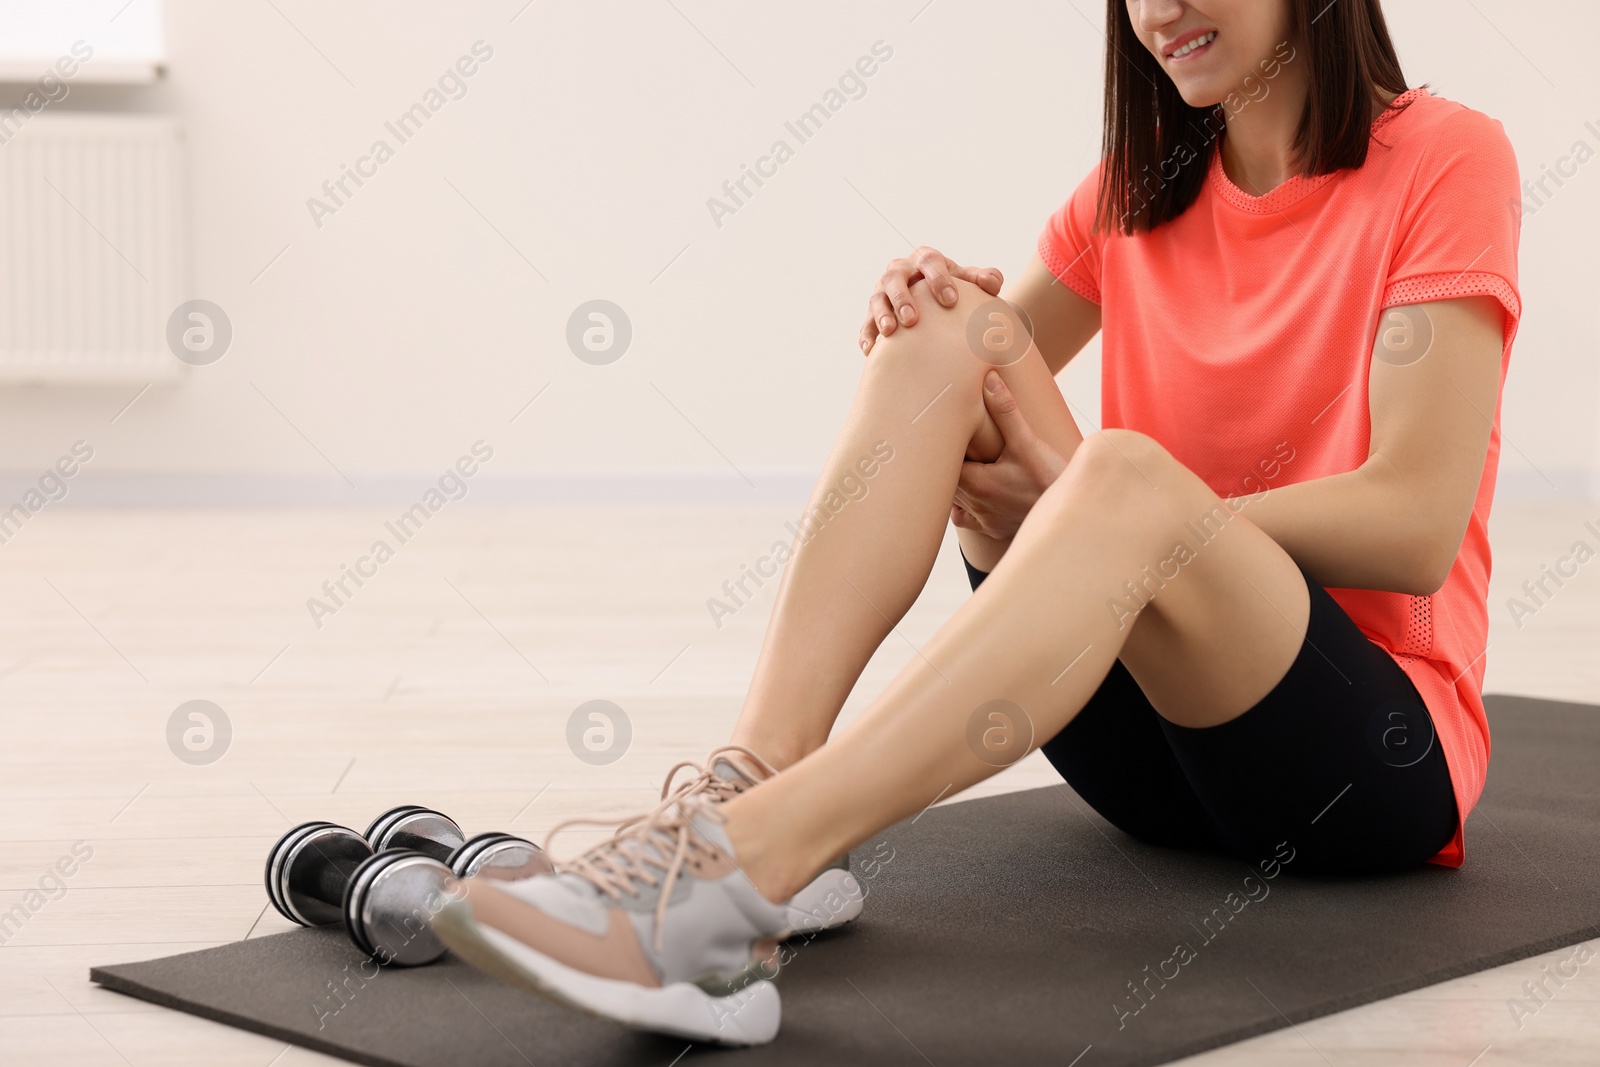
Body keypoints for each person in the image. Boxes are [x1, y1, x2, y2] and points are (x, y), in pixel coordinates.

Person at [431, 0, 1521, 1046]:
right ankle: (750, 783)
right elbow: (977, 369)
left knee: (1121, 477)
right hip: (1152, 756)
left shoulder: (1444, 157)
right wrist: (924, 303)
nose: (1159, 9)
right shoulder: (1137, 187)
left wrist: (1136, 516)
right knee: (951, 322)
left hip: (1359, 767)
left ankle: (731, 871)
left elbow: (1414, 521)